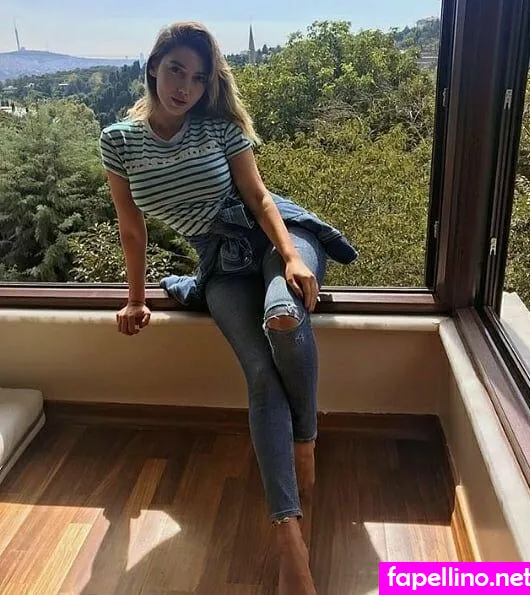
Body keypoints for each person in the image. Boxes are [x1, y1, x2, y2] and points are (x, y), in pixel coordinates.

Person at [99, 21, 357, 595]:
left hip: (276, 235)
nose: (185, 87)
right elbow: (132, 228)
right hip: (218, 260)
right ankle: (288, 539)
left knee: (283, 317)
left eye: (198, 78)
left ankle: (305, 440)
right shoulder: (119, 141)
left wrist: (292, 256)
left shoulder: (219, 127)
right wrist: (135, 299)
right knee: (260, 373)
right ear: (153, 67)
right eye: (176, 71)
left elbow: (259, 197)